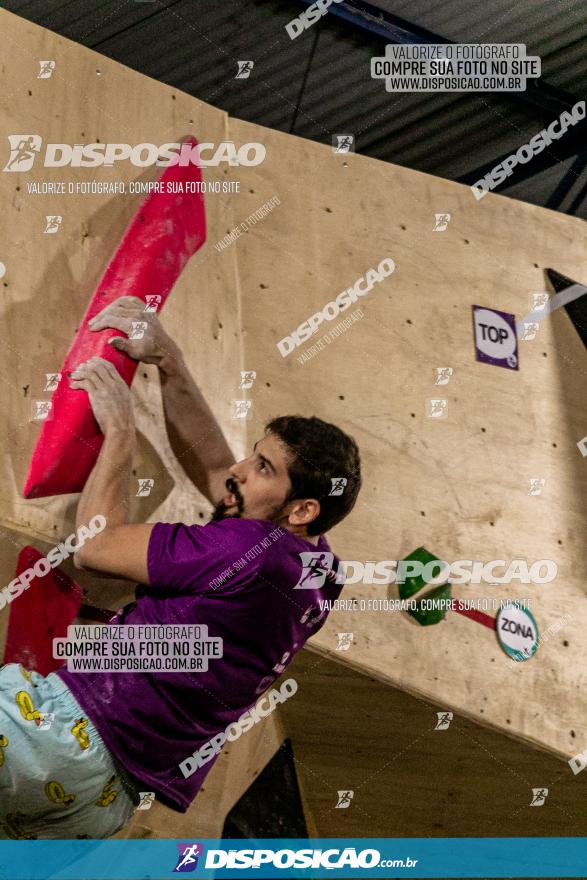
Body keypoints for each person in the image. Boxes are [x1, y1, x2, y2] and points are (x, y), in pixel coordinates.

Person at [0, 296, 362, 839]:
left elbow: (96, 548)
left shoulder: (255, 553)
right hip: (101, 806)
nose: (240, 468)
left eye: (262, 466)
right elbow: (219, 471)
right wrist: (167, 360)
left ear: (302, 509)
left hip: (61, 740)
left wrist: (119, 435)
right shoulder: (316, 573)